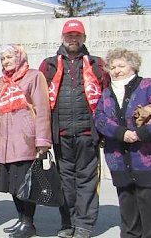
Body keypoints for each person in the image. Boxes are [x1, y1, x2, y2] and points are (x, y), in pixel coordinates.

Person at [94, 48, 151, 238]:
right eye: (112, 67)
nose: (116, 70)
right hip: (119, 161)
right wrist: (121, 133)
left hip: (150, 160)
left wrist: (140, 133)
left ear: (133, 66)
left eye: (121, 65)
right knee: (128, 215)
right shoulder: (107, 93)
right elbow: (99, 118)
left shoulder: (149, 86)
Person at [38, 19, 109, 238]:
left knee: (87, 182)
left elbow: (107, 99)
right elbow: (39, 102)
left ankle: (85, 225)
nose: (73, 39)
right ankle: (67, 223)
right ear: (62, 38)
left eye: (77, 35)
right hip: (61, 135)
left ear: (84, 38)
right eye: (69, 36)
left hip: (88, 134)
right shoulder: (48, 64)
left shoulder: (97, 64)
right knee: (65, 183)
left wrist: (105, 132)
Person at [0, 45, 52, 238]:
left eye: (10, 57)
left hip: (26, 140)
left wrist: (42, 139)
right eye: (3, 58)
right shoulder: (0, 82)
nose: (6, 61)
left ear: (19, 57)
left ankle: (29, 223)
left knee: (26, 185)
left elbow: (43, 108)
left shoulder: (34, 76)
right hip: (5, 141)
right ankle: (21, 219)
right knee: (13, 184)